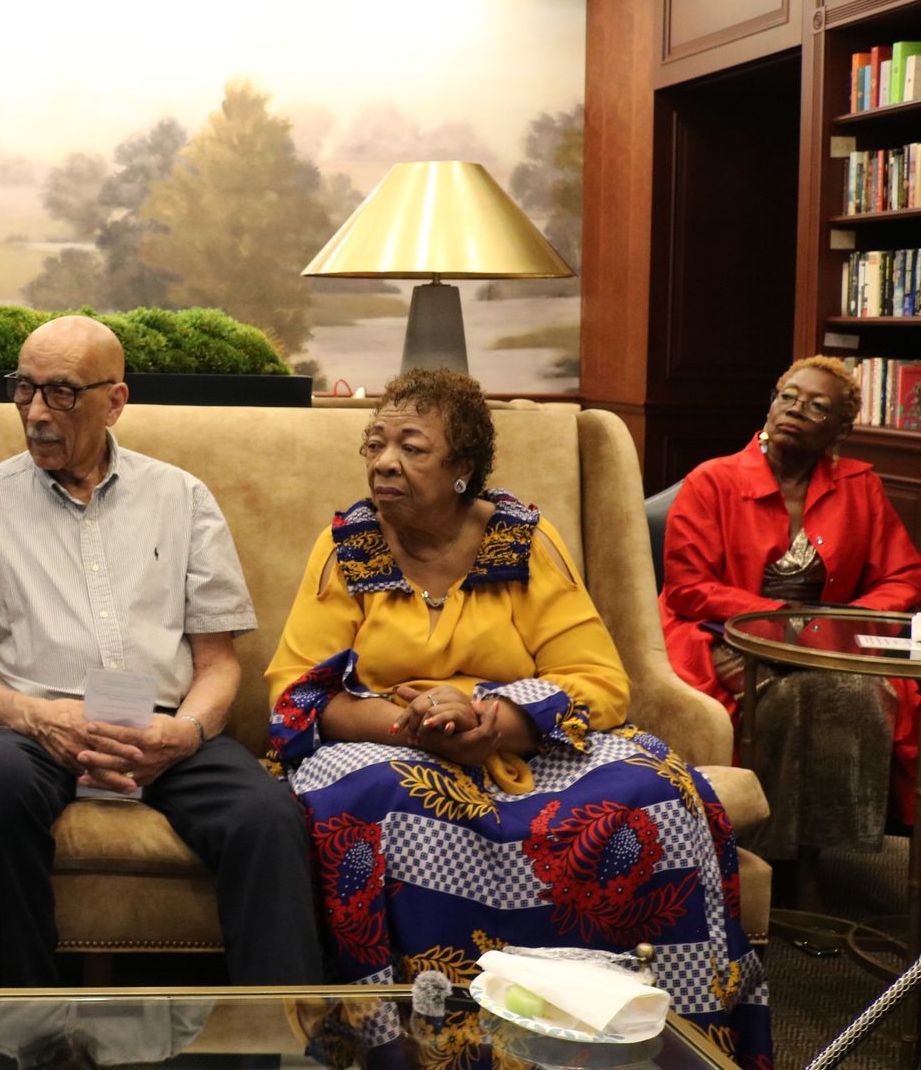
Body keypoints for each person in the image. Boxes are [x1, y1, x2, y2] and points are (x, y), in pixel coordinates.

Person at [266, 369, 769, 1067]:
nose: (384, 462)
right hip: (385, 738)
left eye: (412, 448)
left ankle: (659, 1038)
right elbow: (297, 695)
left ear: (462, 468)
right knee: (380, 801)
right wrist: (417, 726)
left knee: (658, 788)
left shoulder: (522, 542)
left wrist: (494, 719)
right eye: (376, 444)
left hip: (522, 734)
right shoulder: (348, 548)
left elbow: (599, 682)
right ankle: (422, 1048)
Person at [0, 315, 322, 987]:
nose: (37, 413)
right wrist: (41, 719)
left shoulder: (182, 498)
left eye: (62, 393)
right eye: (24, 390)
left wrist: (185, 731)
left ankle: (278, 1039)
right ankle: (34, 1027)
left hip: (164, 725)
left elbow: (219, 663)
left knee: (267, 816)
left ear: (116, 401)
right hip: (34, 730)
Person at [661, 356, 921, 862]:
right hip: (724, 635)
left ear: (840, 429)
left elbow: (903, 576)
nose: (795, 410)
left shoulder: (859, 485)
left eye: (816, 406)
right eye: (788, 396)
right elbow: (688, 588)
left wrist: (839, 624)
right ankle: (772, 856)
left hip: (825, 641)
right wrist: (782, 617)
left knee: (863, 692)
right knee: (798, 698)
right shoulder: (711, 481)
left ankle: (820, 856)